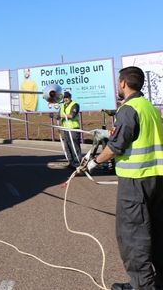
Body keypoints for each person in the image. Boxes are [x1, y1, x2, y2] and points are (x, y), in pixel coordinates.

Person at [84, 66, 163, 290]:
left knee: (132, 234)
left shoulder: (128, 109)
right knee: (157, 230)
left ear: (122, 83)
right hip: (156, 178)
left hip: (135, 181)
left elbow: (116, 146)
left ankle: (141, 285)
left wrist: (94, 162)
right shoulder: (148, 107)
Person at [56, 91, 82, 169]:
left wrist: (61, 116)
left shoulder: (74, 105)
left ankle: (77, 163)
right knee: (67, 146)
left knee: (74, 146)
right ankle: (71, 162)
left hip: (73, 129)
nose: (65, 99)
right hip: (66, 129)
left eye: (67, 97)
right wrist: (55, 116)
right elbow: (59, 115)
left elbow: (72, 115)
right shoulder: (62, 106)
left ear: (70, 98)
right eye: (64, 98)